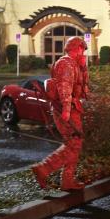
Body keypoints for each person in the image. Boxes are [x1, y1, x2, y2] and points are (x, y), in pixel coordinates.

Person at [31, 37, 89, 191]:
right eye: (82, 49)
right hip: (65, 108)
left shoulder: (75, 64)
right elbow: (65, 88)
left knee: (74, 144)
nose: (83, 52)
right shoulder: (65, 63)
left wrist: (83, 67)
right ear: (76, 48)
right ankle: (43, 169)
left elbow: (84, 88)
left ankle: (67, 180)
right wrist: (66, 111)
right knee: (74, 143)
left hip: (72, 107)